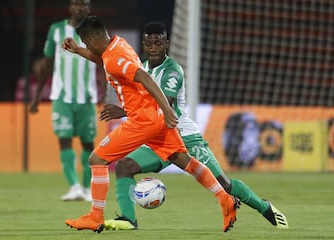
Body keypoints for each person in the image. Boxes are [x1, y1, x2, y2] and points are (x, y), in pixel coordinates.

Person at [102, 22, 289, 230]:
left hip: (185, 136)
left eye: (158, 42)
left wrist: (123, 111)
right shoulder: (142, 68)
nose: (153, 47)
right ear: (144, 45)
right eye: (148, 43)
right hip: (158, 137)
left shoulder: (172, 70)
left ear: (167, 44)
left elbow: (166, 103)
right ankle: (128, 220)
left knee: (224, 185)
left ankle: (264, 208)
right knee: (124, 167)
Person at [62, 15, 239, 234]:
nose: (87, 46)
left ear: (94, 40)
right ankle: (225, 199)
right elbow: (106, 62)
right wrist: (78, 50)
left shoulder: (115, 58)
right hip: (154, 117)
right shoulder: (118, 46)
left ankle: (95, 216)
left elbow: (144, 77)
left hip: (143, 119)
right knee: (184, 160)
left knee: (97, 159)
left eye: (87, 43)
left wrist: (167, 109)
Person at [30, 0, 105, 202]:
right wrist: (36, 97)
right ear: (70, 7)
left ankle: (88, 189)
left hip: (87, 98)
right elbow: (46, 64)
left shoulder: (95, 31)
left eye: (85, 5)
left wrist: (105, 95)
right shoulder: (56, 30)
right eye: (76, 4)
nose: (80, 8)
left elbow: (103, 63)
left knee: (88, 143)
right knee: (64, 140)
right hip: (62, 97)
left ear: (89, 8)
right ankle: (74, 187)